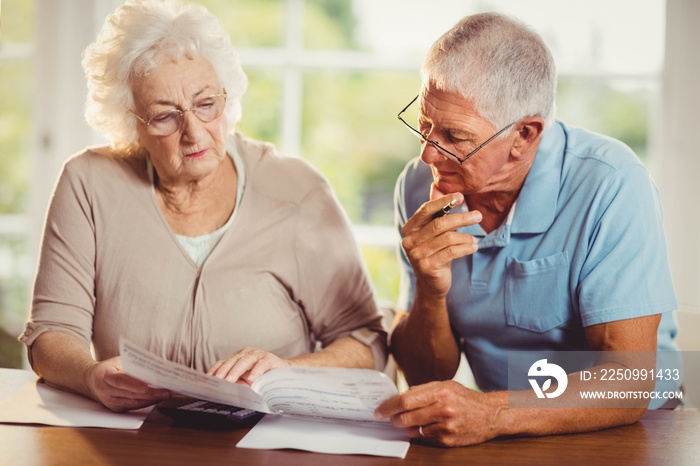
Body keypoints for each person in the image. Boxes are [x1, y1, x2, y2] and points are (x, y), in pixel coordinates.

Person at [19, 0, 387, 413]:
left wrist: (286, 370)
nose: (194, 133)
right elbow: (50, 334)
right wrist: (90, 377)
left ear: (226, 98)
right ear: (131, 123)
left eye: (206, 104)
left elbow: (367, 343)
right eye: (165, 116)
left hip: (266, 444)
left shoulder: (297, 191)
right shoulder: (88, 183)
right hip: (137, 443)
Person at [374, 12, 680, 446]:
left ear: (524, 134)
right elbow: (425, 373)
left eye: (454, 136)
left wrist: (493, 412)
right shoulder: (421, 185)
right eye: (424, 125)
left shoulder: (611, 183)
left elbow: (628, 383)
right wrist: (430, 288)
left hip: (632, 432)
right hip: (503, 433)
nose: (428, 155)